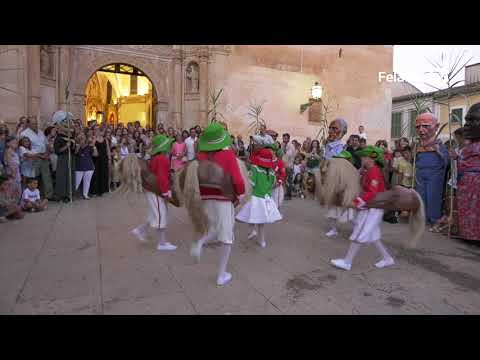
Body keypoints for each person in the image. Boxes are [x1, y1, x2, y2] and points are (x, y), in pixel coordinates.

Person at [190, 122, 246, 286]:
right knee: (226, 237)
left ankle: (199, 242)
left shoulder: (200, 156)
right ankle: (221, 274)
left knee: (213, 228)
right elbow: (236, 178)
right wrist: (241, 193)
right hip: (224, 198)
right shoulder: (228, 155)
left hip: (206, 197)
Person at [330, 145, 394, 271]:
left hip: (374, 208)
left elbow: (372, 192)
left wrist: (356, 201)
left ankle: (347, 262)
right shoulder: (369, 171)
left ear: (372, 158)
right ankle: (387, 259)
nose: (362, 159)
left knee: (360, 232)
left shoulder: (374, 171)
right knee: (374, 237)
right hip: (369, 207)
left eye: (365, 156)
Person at [131, 134, 177, 251]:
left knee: (155, 214)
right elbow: (162, 178)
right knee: (160, 215)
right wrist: (166, 193)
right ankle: (162, 243)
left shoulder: (156, 158)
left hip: (153, 189)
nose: (171, 146)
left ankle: (140, 230)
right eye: (169, 144)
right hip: (156, 191)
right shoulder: (162, 159)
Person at [236, 147, 282, 248]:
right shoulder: (271, 172)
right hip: (266, 199)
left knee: (252, 216)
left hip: (256, 197)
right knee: (261, 221)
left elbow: (252, 183)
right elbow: (273, 185)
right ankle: (261, 240)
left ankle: (253, 232)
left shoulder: (255, 169)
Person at [414, 113, 450, 230]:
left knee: (433, 197)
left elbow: (447, 162)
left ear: (436, 126)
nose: (421, 130)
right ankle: (423, 219)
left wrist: (438, 151)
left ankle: (435, 219)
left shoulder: (439, 144)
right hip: (420, 173)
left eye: (425, 126)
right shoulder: (417, 144)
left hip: (435, 174)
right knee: (421, 197)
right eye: (418, 127)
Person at [323, 118, 353, 237]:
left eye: (335, 128)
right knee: (333, 205)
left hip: (339, 180)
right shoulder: (328, 145)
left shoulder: (342, 147)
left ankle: (358, 226)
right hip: (330, 178)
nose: (331, 131)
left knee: (345, 206)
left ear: (343, 132)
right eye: (330, 128)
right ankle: (334, 228)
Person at [456, 103, 480, 241]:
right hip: (466, 185)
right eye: (466, 120)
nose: (467, 125)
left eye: (473, 120)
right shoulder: (467, 147)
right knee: (468, 210)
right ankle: (469, 235)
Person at [20, 118, 54, 200]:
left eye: (36, 123)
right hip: (33, 158)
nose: (35, 125)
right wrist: (38, 155)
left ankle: (49, 195)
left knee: (47, 176)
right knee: (34, 177)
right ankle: (32, 196)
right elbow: (25, 147)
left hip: (44, 156)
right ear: (28, 124)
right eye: (33, 123)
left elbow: (45, 143)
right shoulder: (24, 133)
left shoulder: (40, 132)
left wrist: (47, 154)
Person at [74, 133, 97, 200]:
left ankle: (85, 194)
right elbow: (75, 152)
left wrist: (94, 146)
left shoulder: (89, 146)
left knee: (87, 181)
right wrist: (78, 145)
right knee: (76, 182)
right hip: (79, 167)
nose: (82, 139)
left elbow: (95, 155)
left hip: (89, 166)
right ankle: (72, 194)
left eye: (83, 137)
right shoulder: (76, 146)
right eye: (80, 138)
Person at [90, 129, 110, 197]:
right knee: (96, 175)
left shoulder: (105, 140)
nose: (99, 132)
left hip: (104, 159)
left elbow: (108, 149)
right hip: (96, 159)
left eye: (100, 130)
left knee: (103, 174)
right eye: (97, 130)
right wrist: (94, 140)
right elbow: (91, 147)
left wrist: (109, 158)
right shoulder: (93, 138)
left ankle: (103, 190)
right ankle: (95, 191)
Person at [3, 136, 21, 202]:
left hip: (16, 170)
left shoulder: (14, 151)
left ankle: (15, 204)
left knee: (18, 189)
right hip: (12, 171)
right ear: (8, 144)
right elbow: (9, 161)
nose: (16, 143)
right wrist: (13, 171)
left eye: (16, 142)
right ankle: (11, 204)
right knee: (12, 188)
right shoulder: (8, 151)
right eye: (13, 142)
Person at [271, 145, 286, 209]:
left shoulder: (280, 162)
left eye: (271, 150)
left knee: (277, 201)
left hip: (277, 184)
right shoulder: (266, 161)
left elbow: (283, 173)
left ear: (274, 151)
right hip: (267, 184)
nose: (270, 152)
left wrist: (279, 182)